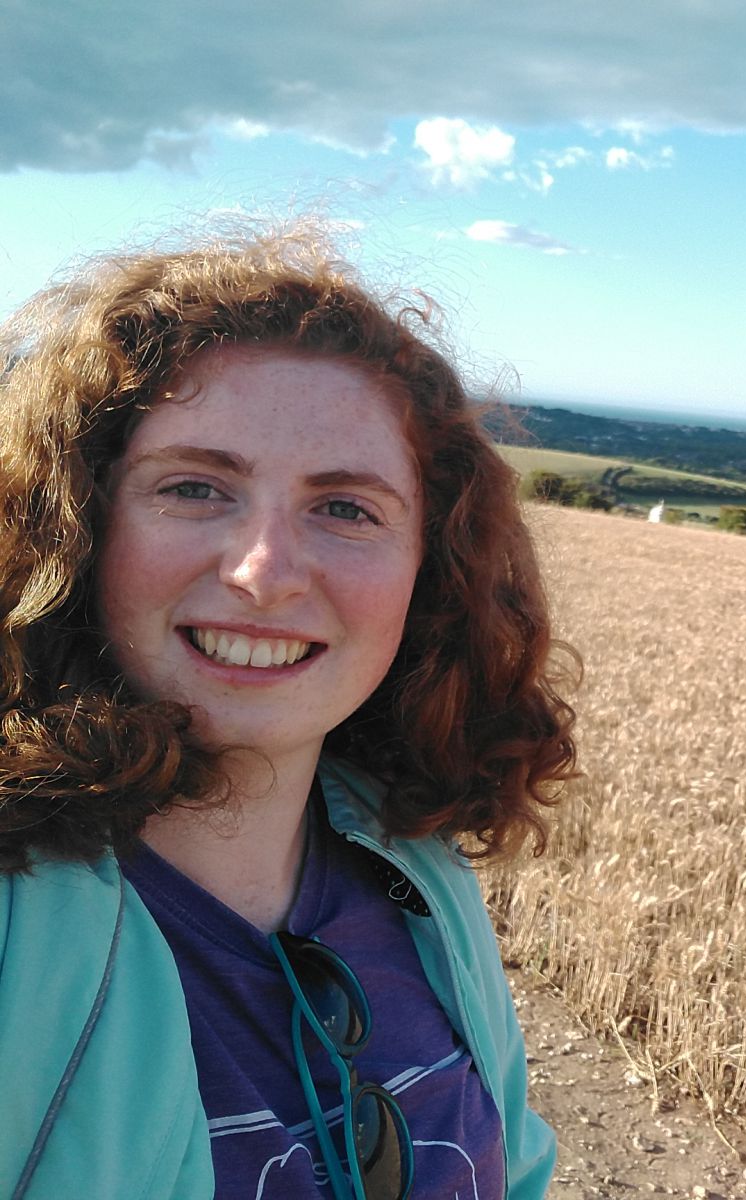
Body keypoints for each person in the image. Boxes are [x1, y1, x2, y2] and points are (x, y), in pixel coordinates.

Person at [0, 228, 577, 1199]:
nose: (262, 573)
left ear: (427, 573)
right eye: (194, 487)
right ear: (83, 526)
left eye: (346, 508)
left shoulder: (423, 883)